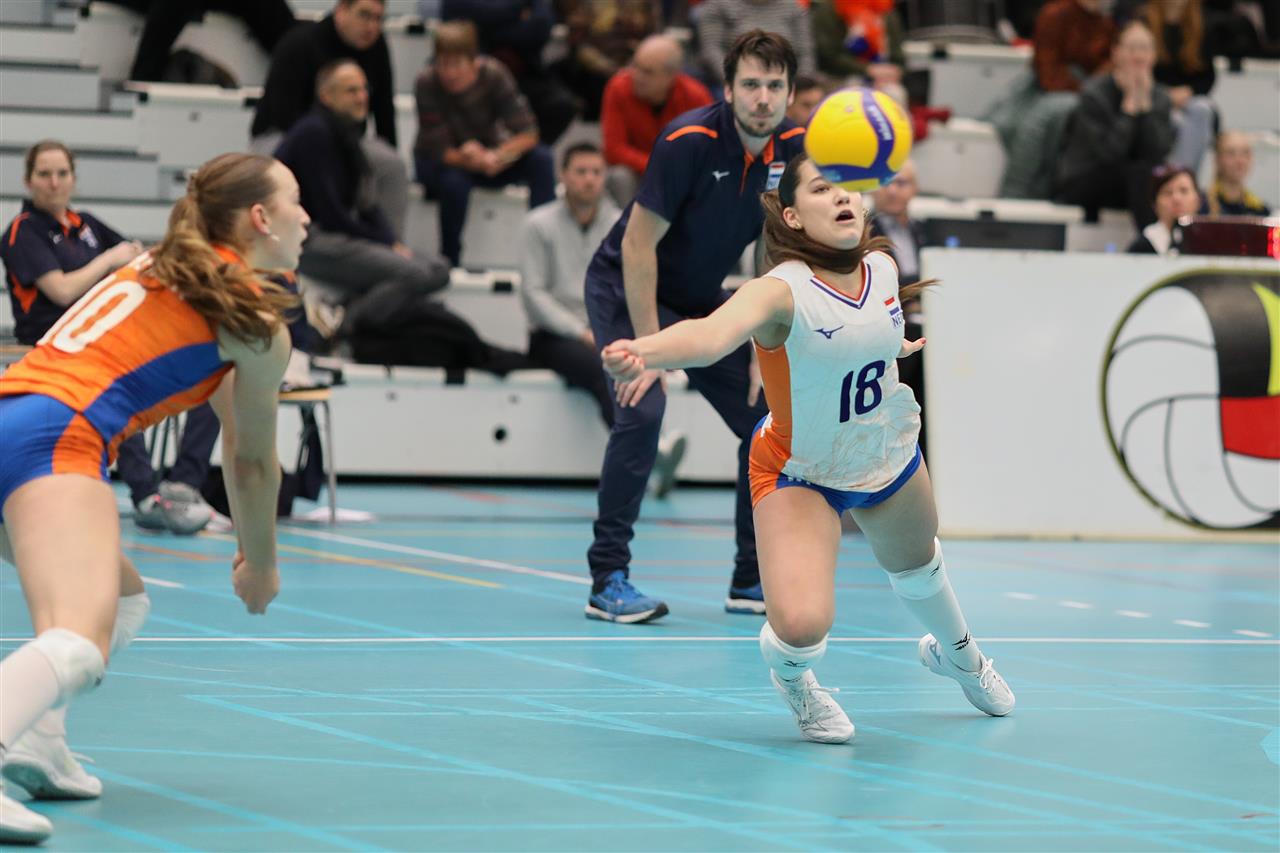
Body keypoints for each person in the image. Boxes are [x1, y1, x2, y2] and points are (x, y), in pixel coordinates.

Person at [602, 153, 1015, 744]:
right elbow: (710, 336)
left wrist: (892, 348)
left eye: (847, 187)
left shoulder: (882, 266)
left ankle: (961, 656)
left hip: (881, 450)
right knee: (801, 626)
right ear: (793, 215)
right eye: (822, 189)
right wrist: (645, 351)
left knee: (920, 566)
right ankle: (795, 679)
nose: (842, 196)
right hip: (802, 470)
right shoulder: (779, 292)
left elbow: (868, 332)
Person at [0, 152, 308, 844]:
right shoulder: (255, 324)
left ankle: (39, 740)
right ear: (261, 218)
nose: (308, 216)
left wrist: (249, 545)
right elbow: (253, 462)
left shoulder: (168, 270)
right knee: (80, 640)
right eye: (296, 200)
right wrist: (261, 565)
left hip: (9, 413)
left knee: (123, 600)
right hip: (56, 436)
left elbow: (236, 437)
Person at [582, 30, 808, 623]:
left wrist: (763, 346)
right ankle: (608, 579)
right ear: (727, 90)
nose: (763, 98)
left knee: (766, 423)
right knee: (643, 411)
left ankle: (749, 580)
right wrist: (649, 352)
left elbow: (771, 249)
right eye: (751, 84)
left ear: (790, 94)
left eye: (775, 86)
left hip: (701, 298)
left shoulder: (794, 147)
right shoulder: (688, 141)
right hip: (627, 290)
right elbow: (637, 247)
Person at [0, 140, 216, 535]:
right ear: (28, 181)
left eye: (62, 173)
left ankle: (183, 484)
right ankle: (147, 496)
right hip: (56, 347)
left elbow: (138, 258)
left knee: (214, 377)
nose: (54, 182)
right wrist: (109, 260)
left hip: (112, 335)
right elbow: (62, 290)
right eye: (44, 174)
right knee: (108, 391)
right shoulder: (21, 231)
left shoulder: (86, 225)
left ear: (73, 178)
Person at [276, 59, 448, 303]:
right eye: (351, 91)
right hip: (308, 241)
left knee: (440, 269)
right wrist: (381, 243)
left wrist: (390, 242)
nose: (362, 97)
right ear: (326, 96)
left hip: (336, 236)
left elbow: (367, 203)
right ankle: (354, 317)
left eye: (364, 89)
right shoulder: (314, 133)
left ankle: (358, 305)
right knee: (415, 273)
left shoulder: (346, 132)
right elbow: (331, 214)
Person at [250, 0, 407, 239]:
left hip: (345, 139)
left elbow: (384, 109)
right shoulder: (299, 43)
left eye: (379, 19)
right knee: (282, 170)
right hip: (281, 136)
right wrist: (334, 149)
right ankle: (280, 243)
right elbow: (283, 114)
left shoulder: (377, 47)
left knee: (391, 164)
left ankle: (392, 247)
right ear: (341, 11)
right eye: (364, 15)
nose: (371, 26)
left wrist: (363, 148)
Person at [414, 20, 556, 268]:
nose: (450, 73)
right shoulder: (426, 82)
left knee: (542, 159)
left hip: (489, 157)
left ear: (475, 62)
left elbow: (528, 132)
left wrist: (499, 155)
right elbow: (437, 148)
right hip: (445, 162)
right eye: (443, 64)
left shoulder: (494, 74)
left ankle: (544, 247)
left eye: (457, 65)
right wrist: (472, 158)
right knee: (452, 183)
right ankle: (449, 260)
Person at [1054, 19, 1176, 226]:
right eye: (1132, 48)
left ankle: (1159, 237)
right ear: (1116, 53)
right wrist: (1129, 108)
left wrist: (1146, 107)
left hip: (1131, 183)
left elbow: (1157, 153)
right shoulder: (1094, 94)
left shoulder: (1160, 97)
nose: (1139, 56)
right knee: (1138, 174)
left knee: (1157, 177)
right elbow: (1108, 154)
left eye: (1145, 48)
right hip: (1085, 179)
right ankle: (1153, 239)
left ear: (1154, 56)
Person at [599, 34, 714, 205]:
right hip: (639, 173)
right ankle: (626, 222)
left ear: (671, 76)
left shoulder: (696, 96)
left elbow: (709, 151)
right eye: (635, 66)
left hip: (681, 175)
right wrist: (659, 167)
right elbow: (614, 149)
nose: (637, 76)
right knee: (620, 176)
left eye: (647, 72)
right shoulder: (618, 87)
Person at [869, 159, 927, 454]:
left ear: (914, 189)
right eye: (886, 183)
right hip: (889, 329)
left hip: (928, 330)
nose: (892, 190)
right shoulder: (863, 232)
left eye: (901, 183)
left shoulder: (924, 230)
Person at [1127, 164, 1201, 253]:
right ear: (1154, 204)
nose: (1176, 199)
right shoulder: (1142, 248)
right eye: (1168, 192)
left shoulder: (1209, 241)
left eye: (1183, 191)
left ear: (1198, 199)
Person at [1203, 130, 1272, 216]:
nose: (1240, 161)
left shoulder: (1259, 209)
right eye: (1231, 153)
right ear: (1217, 159)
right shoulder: (1200, 206)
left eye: (1246, 153)